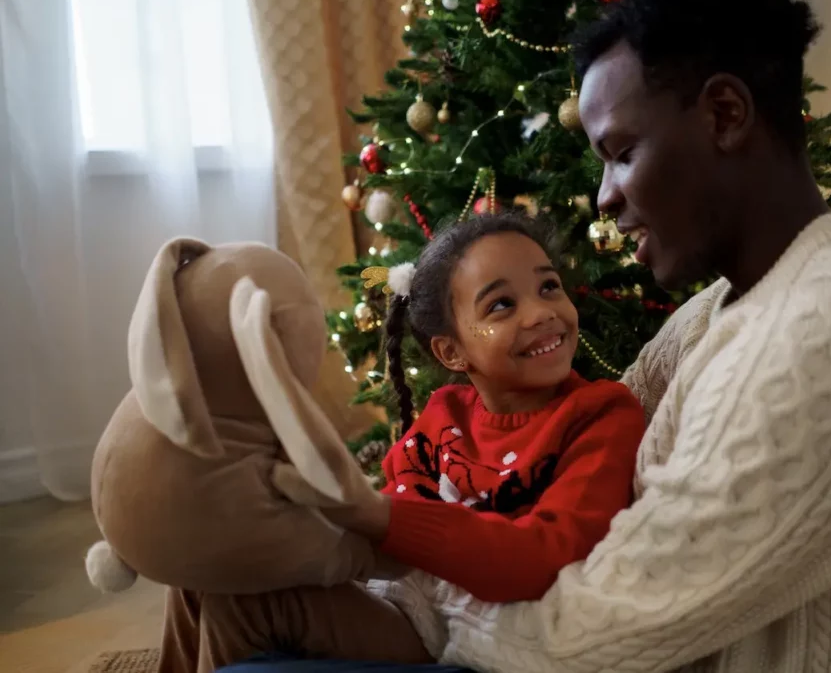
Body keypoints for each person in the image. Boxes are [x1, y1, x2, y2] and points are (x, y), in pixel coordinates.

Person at [221, 0, 831, 671]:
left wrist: (428, 607)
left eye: (620, 154)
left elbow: (599, 634)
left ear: (725, 114)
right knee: (235, 603)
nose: (604, 198)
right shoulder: (728, 306)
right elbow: (583, 456)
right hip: (572, 633)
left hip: (586, 650)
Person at [159, 214, 646, 673]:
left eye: (549, 287)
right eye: (502, 305)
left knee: (244, 608)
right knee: (206, 568)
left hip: (457, 631)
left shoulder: (601, 414)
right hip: (402, 595)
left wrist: (378, 519)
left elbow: (548, 554)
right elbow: (398, 501)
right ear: (452, 351)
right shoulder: (444, 415)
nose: (543, 313)